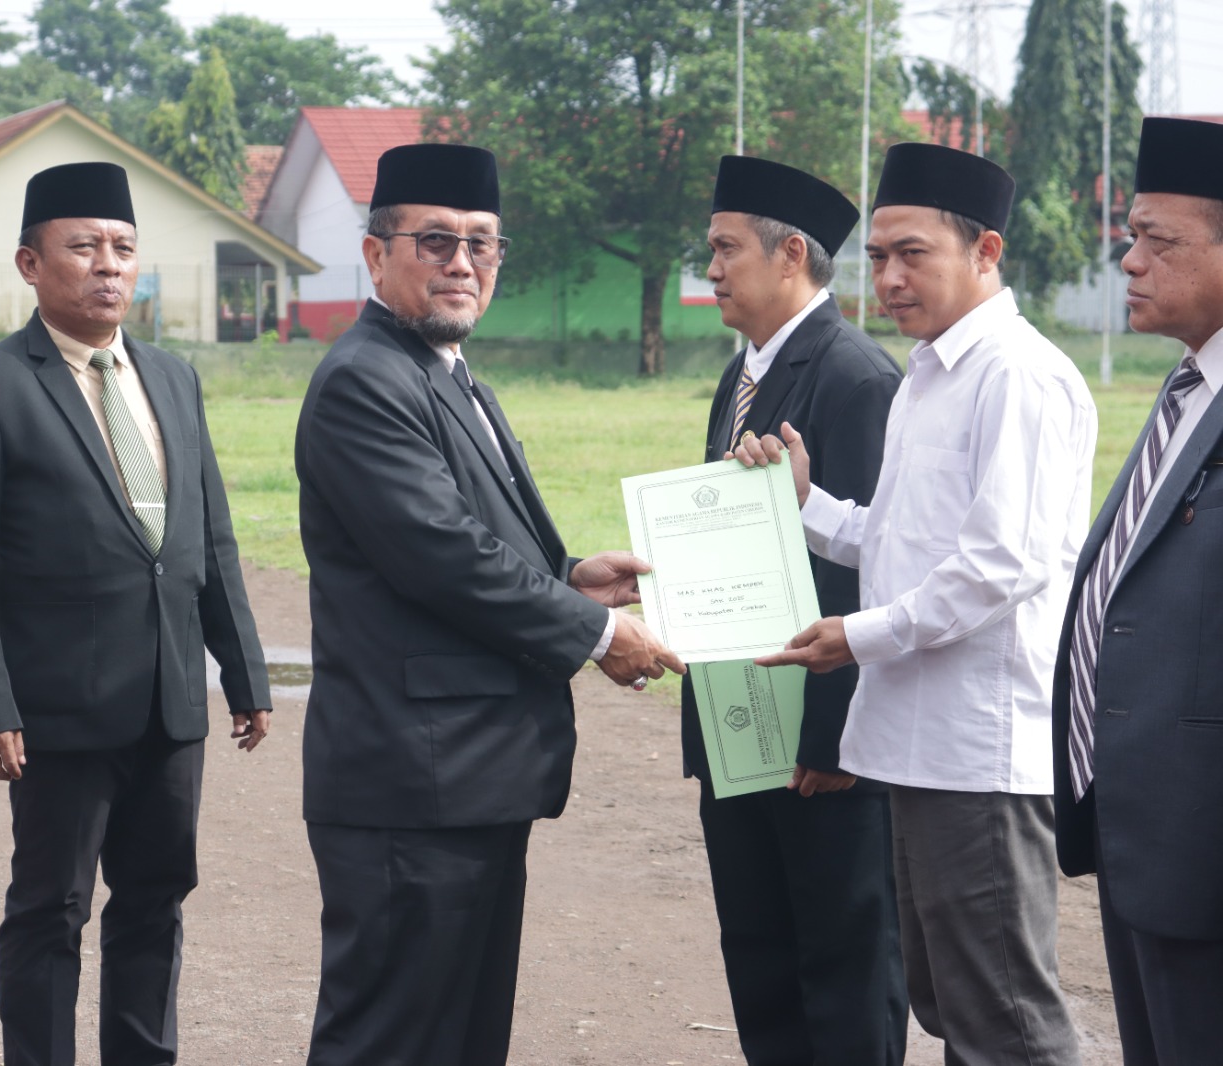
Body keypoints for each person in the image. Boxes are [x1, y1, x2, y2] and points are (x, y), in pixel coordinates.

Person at [294, 142, 685, 1066]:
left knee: (461, 1037)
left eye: (482, 243)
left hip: (468, 777)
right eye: (435, 241)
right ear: (376, 254)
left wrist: (570, 576)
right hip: (411, 782)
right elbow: (443, 555)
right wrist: (598, 632)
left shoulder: (449, 374)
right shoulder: (366, 380)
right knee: (390, 1039)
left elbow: (471, 541)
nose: (462, 262)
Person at [735, 142, 1096, 1065]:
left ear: (986, 252)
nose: (889, 278)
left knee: (1006, 1018)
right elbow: (898, 540)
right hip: (918, 745)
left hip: (981, 752)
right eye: (879, 256)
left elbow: (1000, 565)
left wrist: (857, 636)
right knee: (948, 1001)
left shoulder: (1017, 375)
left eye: (913, 254)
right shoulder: (931, 373)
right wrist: (807, 504)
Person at [0, 161, 272, 1066]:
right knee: (52, 907)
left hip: (169, 701)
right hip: (58, 709)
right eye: (83, 247)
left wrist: (244, 671)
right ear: (31, 264)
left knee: (156, 899)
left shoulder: (173, 378)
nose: (108, 266)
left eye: (123, 248)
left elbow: (210, 537)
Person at [687, 155, 907, 1065]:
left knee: (843, 966)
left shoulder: (856, 378)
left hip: (819, 745)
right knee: (762, 959)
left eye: (725, 249)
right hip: (744, 723)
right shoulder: (741, 375)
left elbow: (876, 572)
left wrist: (835, 738)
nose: (711, 270)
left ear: (789, 256)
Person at [1051, 116, 1223, 1065]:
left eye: (1159, 240)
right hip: (1141, 826)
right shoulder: (1188, 389)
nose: (1129, 261)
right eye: (1130, 236)